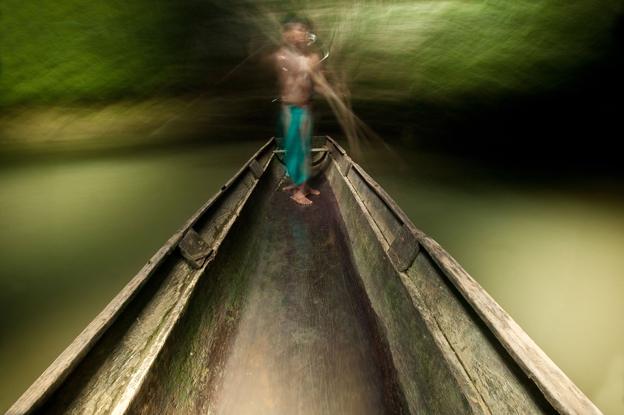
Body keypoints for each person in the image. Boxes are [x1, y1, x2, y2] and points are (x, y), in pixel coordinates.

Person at [273, 16, 326, 205]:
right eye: (297, 30)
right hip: (290, 109)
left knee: (303, 149)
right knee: (295, 150)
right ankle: (298, 191)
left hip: (306, 109)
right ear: (288, 35)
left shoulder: (312, 57)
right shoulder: (282, 56)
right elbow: (295, 71)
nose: (302, 33)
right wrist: (308, 62)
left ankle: (302, 185)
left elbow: (316, 83)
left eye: (303, 30)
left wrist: (329, 88)